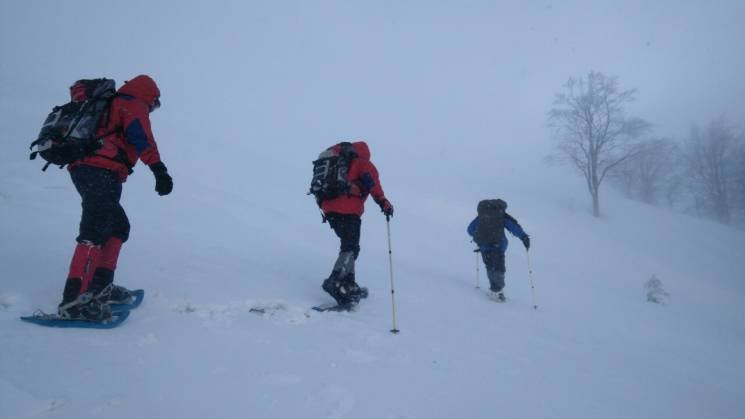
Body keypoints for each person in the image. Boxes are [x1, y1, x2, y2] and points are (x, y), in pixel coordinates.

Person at [58, 75, 173, 322]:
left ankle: (100, 287)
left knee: (118, 226)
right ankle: (75, 301)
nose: (153, 109)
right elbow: (141, 137)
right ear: (150, 96)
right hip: (99, 170)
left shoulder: (113, 104)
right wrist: (159, 170)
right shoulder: (132, 103)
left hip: (93, 170)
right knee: (94, 230)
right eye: (155, 104)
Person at [318, 141, 393, 307]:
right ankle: (336, 280)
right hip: (348, 208)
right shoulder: (363, 162)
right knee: (350, 247)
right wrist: (384, 202)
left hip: (328, 208)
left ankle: (348, 283)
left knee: (349, 246)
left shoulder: (338, 160)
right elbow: (373, 185)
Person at [467, 199, 529, 301]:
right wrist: (524, 237)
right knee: (499, 268)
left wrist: (478, 238)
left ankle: (494, 290)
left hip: (484, 246)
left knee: (490, 267)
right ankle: (497, 291)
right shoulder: (501, 215)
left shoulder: (481, 216)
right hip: (498, 246)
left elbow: (470, 229)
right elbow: (513, 227)